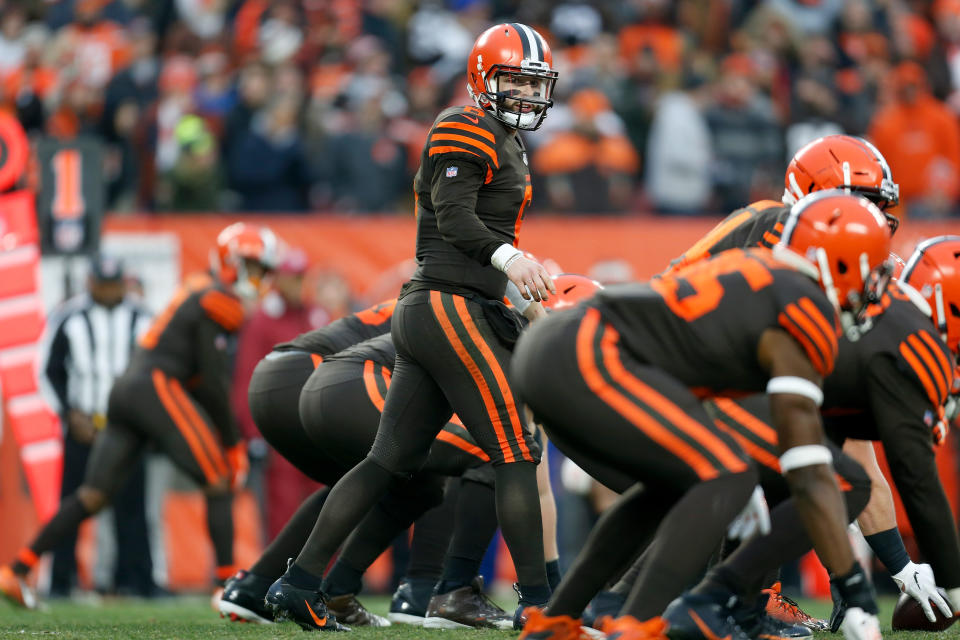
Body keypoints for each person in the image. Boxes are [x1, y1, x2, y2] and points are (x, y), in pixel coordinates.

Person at [263, 22, 560, 632]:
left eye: (534, 84)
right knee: (515, 450)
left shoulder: (503, 137)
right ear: (482, 79)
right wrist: (509, 261)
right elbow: (453, 218)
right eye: (515, 81)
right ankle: (539, 606)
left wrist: (516, 293)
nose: (527, 95)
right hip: (447, 305)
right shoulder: (464, 124)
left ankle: (298, 583)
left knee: (390, 458)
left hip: (448, 305)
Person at [514, 192, 890, 640]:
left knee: (672, 483)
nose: (876, 279)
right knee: (725, 473)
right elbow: (804, 462)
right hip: (591, 351)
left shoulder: (761, 272)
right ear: (839, 261)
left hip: (558, 344)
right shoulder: (804, 304)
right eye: (871, 263)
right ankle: (635, 625)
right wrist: (853, 582)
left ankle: (557, 620)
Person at [0, 223, 278, 608]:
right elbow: (213, 384)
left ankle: (17, 569)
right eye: (255, 267)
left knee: (93, 495)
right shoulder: (219, 299)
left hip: (127, 389)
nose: (260, 277)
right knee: (219, 477)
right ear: (233, 263)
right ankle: (228, 585)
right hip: (154, 386)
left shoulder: (200, 288)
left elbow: (200, 375)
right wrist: (232, 442)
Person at [37, 254, 154, 598]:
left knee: (131, 508)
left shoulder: (144, 318)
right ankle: (61, 581)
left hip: (127, 429)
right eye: (100, 285)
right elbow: (46, 370)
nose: (106, 292)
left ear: (123, 282)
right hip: (83, 426)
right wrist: (68, 414)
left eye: (112, 284)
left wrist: (141, 419)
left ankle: (135, 581)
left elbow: (157, 375)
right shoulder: (68, 315)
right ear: (90, 283)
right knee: (72, 505)